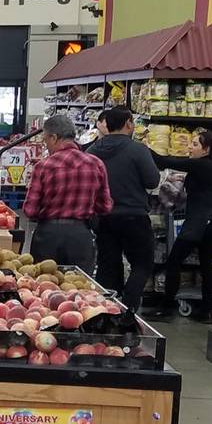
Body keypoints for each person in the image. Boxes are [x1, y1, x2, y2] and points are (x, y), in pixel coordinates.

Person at [146, 129, 212, 322]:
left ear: (206, 149)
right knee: (207, 266)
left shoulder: (202, 164)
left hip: (198, 221)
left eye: (194, 144)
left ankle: (166, 308)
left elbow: (164, 161)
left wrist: (143, 147)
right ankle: (205, 312)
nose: (189, 148)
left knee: (173, 262)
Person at [88, 106, 160, 313]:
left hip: (103, 217)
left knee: (108, 265)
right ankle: (129, 305)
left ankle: (107, 310)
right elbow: (152, 181)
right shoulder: (137, 150)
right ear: (128, 123)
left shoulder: (92, 151)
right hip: (134, 216)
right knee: (142, 263)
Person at [22, 113, 111, 270]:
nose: (46, 145)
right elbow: (105, 206)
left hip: (48, 236)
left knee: (45, 281)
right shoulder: (96, 164)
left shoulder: (43, 166)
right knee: (80, 282)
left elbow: (30, 210)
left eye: (46, 140)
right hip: (80, 236)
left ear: (54, 138)